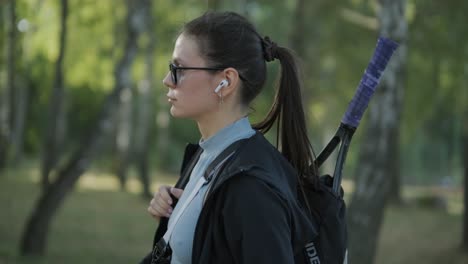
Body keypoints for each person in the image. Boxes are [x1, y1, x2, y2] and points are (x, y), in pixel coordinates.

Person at [140, 11, 319, 264]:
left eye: (178, 69)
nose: (167, 80)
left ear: (226, 81)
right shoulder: (211, 156)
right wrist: (176, 212)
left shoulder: (253, 188)